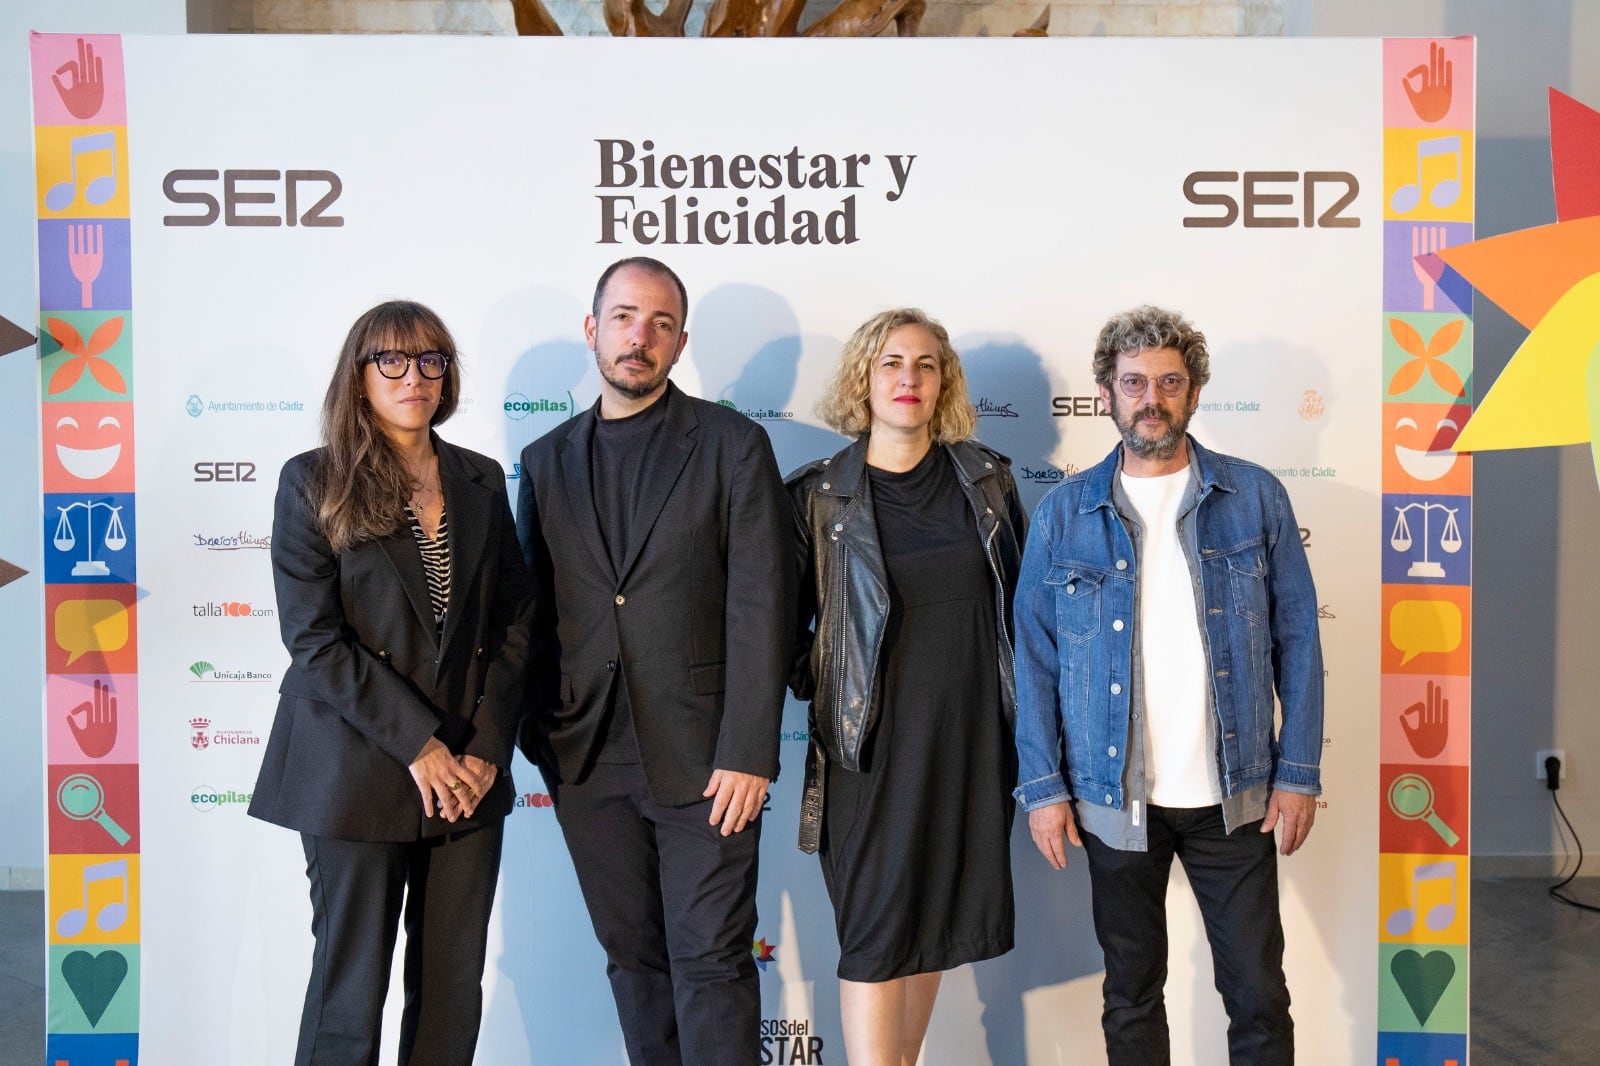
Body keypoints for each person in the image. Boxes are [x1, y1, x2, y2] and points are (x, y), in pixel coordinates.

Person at [1013, 305, 1323, 1066]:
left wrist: (1298, 773)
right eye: (1133, 382)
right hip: (1115, 798)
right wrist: (1044, 788)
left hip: (1234, 796)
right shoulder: (1064, 513)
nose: (1151, 398)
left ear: (1193, 391)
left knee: (1257, 993)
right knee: (1131, 994)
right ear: (1106, 392)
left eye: (1169, 382)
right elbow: (1034, 658)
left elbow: (1300, 642)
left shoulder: (1252, 498)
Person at [515, 256, 794, 1065]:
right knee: (634, 964)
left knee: (710, 963)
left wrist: (749, 750)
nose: (642, 337)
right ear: (593, 328)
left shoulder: (732, 445)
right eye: (627, 317)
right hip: (587, 759)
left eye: (662, 324)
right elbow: (531, 613)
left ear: (679, 343)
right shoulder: (545, 460)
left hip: (708, 761)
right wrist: (545, 736)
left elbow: (762, 605)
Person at [250, 300, 534, 1065]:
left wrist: (483, 750)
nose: (416, 377)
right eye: (393, 361)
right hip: (354, 767)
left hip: (468, 778)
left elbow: (514, 621)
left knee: (450, 990)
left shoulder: (477, 478)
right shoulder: (313, 481)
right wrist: (421, 747)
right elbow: (315, 637)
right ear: (360, 375)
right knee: (350, 990)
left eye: (432, 360)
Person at [787, 308, 1025, 1066]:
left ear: (944, 382)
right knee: (875, 930)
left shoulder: (986, 481)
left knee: (932, 923)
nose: (908, 379)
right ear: (864, 377)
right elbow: (780, 630)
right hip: (870, 751)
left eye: (926, 365)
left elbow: (1020, 611)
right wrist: (828, 685)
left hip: (969, 740)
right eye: (891, 363)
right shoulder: (817, 498)